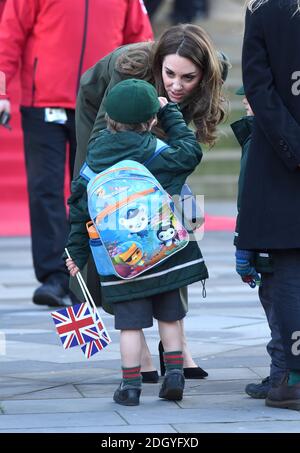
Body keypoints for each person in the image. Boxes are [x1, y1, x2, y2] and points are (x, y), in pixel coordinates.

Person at [72, 24, 228, 381]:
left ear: (204, 74)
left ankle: (176, 343)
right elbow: (102, 149)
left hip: (160, 122)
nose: (177, 84)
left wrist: (175, 195)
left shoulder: (215, 68)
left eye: (188, 78)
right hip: (106, 113)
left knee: (177, 225)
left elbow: (180, 153)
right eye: (170, 73)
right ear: (158, 64)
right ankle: (138, 347)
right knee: (105, 219)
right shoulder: (132, 67)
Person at [0, 0, 153, 308]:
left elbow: (140, 40)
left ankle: (86, 274)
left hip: (100, 106)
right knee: (45, 189)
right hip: (44, 102)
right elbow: (9, 33)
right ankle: (54, 277)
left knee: (91, 191)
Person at [65, 78, 208, 406]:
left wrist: (75, 251)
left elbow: (78, 211)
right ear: (152, 122)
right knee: (170, 319)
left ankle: (130, 387)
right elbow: (190, 151)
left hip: (121, 264)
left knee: (130, 327)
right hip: (165, 252)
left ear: (109, 120)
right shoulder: (157, 154)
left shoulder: (93, 162)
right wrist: (170, 112)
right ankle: (174, 376)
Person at [237, 0, 300, 410]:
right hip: (282, 160)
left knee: (290, 265)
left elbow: (258, 87)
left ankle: (292, 377)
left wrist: (293, 145)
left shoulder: (263, 8)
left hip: (281, 158)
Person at [232, 85, 287, 399]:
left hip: (268, 243)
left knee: (278, 310)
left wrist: (244, 245)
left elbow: (248, 199)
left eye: (250, 96)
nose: (244, 101)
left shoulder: (260, 141)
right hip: (273, 240)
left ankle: (281, 375)